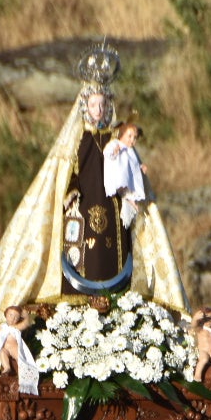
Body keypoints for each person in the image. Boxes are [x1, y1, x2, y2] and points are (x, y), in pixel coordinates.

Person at [61, 88, 127, 289]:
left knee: (113, 249)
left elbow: (128, 168)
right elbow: (66, 171)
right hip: (83, 204)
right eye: (93, 105)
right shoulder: (77, 138)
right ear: (84, 106)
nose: (98, 110)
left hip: (113, 204)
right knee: (84, 254)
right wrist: (70, 190)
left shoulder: (117, 136)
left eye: (102, 104)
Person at [102, 120, 150, 227]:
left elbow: (134, 163)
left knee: (133, 186)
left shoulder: (131, 150)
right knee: (122, 184)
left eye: (135, 138)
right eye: (130, 136)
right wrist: (114, 152)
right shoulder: (115, 143)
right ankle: (128, 198)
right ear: (122, 134)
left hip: (129, 176)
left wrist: (141, 167)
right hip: (119, 173)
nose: (132, 140)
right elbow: (107, 152)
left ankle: (132, 199)